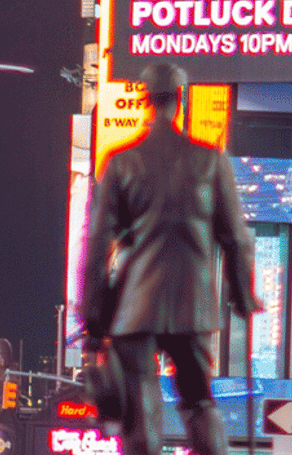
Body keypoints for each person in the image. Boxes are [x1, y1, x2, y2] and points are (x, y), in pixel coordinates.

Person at [81, 63, 259, 455]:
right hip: (192, 302)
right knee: (199, 400)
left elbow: (96, 243)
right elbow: (236, 238)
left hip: (135, 303)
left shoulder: (122, 162)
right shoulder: (210, 161)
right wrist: (243, 294)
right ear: (179, 102)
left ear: (145, 100)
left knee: (140, 410)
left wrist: (93, 314)